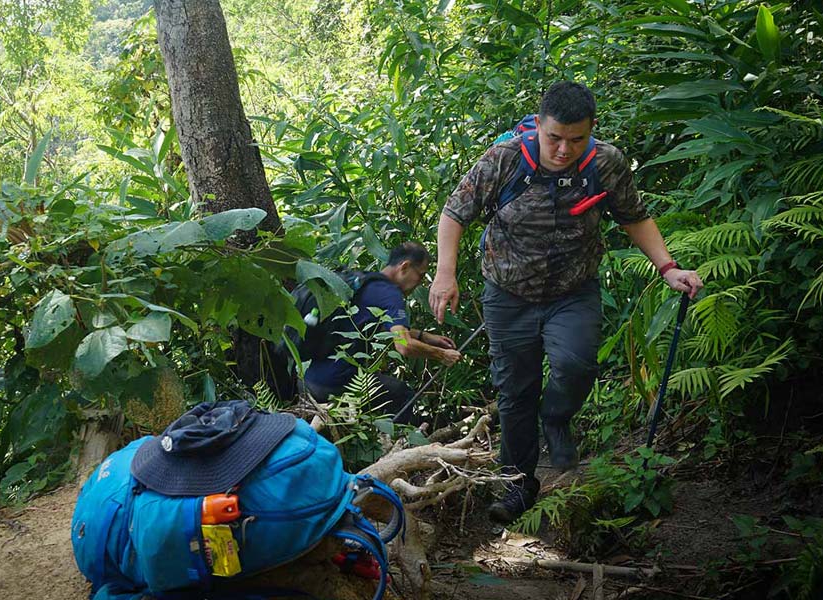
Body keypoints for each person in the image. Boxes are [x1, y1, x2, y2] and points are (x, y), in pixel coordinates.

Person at [429, 81, 704, 524]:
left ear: (591, 130)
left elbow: (634, 217)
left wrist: (669, 268)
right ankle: (517, 486)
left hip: (573, 292)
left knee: (576, 364)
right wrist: (445, 274)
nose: (563, 149)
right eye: (554, 137)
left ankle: (556, 418)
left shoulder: (605, 163)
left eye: (575, 139)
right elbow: (454, 213)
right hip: (507, 295)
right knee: (515, 392)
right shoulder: (504, 159)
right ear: (537, 125)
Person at [301, 242, 462, 424]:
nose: (419, 283)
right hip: (335, 384)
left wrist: (425, 337)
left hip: (310, 379)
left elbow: (382, 327)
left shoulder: (366, 281)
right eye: (420, 275)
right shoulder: (390, 294)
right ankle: (400, 443)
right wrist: (442, 355)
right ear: (405, 267)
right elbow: (404, 345)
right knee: (401, 394)